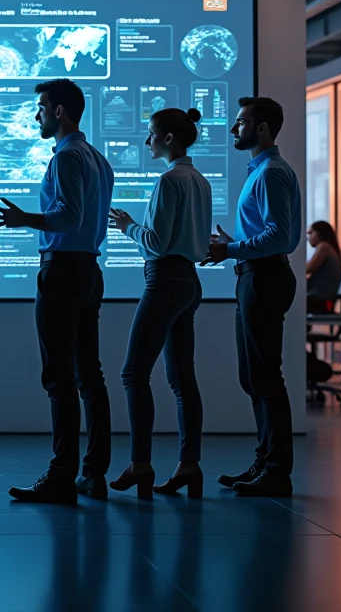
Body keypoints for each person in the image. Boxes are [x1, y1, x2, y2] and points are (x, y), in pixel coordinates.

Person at [0, 78, 115, 505]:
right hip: (89, 273)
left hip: (61, 273)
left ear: (60, 111)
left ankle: (61, 477)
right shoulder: (98, 158)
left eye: (41, 107)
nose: (36, 114)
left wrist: (26, 220)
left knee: (60, 380)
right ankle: (93, 474)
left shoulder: (66, 158)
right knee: (89, 377)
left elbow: (69, 217)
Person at [108, 107, 210, 499]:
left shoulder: (170, 180)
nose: (146, 141)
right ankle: (189, 465)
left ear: (168, 138)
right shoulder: (199, 180)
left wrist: (127, 226)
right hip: (189, 282)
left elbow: (156, 242)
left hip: (164, 280)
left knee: (134, 374)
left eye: (150, 133)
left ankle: (140, 464)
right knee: (184, 379)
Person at [204, 96, 301, 498]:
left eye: (241, 122)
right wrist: (237, 243)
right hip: (254, 273)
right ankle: (265, 462)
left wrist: (230, 250)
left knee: (264, 378)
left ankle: (276, 471)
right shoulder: (262, 171)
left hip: (264, 277)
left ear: (262, 128)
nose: (233, 129)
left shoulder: (271, 173)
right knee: (253, 377)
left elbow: (281, 237)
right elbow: (270, 233)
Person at [305, 221, 341, 314]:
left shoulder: (323, 247)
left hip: (319, 301)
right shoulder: (329, 248)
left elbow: (307, 269)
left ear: (320, 233)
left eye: (311, 233)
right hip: (323, 300)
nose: (308, 237)